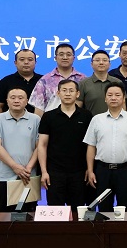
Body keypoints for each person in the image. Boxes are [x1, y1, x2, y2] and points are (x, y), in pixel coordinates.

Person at [84, 82, 127, 212]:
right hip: (103, 171)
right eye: (110, 95)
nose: (113, 98)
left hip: (126, 170)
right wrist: (90, 170)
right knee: (104, 209)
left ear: (123, 98)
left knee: (126, 209)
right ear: (105, 98)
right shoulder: (97, 119)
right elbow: (91, 146)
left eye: (117, 95)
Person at [37, 79, 93, 215]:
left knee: (78, 213)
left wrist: (89, 169)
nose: (68, 94)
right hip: (55, 173)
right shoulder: (48, 116)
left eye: (71, 91)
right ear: (58, 93)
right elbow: (42, 145)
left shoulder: (86, 116)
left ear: (77, 94)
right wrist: (44, 171)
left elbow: (90, 145)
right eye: (64, 90)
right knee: (55, 213)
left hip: (79, 172)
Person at [0, 87, 40, 212]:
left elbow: (39, 147)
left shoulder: (36, 119)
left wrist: (28, 168)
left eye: (20, 98)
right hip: (3, 176)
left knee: (27, 216)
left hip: (28, 176)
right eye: (13, 98)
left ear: (27, 101)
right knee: (1, 216)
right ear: (7, 101)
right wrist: (15, 166)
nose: (16, 100)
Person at [30, 43, 86, 116]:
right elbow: (39, 107)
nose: (65, 57)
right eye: (61, 54)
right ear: (55, 58)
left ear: (73, 58)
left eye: (68, 54)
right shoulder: (45, 80)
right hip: (51, 121)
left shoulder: (83, 79)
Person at [0, 48, 42, 114]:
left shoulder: (43, 80)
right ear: (15, 63)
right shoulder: (6, 81)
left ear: (35, 62)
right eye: (22, 59)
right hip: (11, 120)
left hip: (39, 120)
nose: (26, 62)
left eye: (30, 59)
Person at [77, 50, 123, 116]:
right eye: (97, 60)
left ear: (109, 64)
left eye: (104, 60)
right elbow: (78, 107)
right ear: (91, 64)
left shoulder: (117, 82)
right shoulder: (83, 83)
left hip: (115, 121)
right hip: (91, 121)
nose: (101, 63)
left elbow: (123, 105)